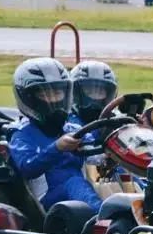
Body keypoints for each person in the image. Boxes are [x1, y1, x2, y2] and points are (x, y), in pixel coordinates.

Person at [7, 57, 102, 212]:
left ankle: (145, 212)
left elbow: (94, 148)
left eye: (57, 93)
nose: (53, 100)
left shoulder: (73, 128)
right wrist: (57, 148)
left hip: (81, 194)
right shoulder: (22, 135)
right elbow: (27, 168)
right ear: (28, 98)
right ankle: (105, 221)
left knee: (119, 173)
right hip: (46, 199)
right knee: (74, 183)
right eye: (45, 95)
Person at [68, 60, 119, 128]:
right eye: (89, 91)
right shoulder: (65, 123)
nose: (95, 98)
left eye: (100, 92)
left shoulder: (116, 120)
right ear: (75, 93)